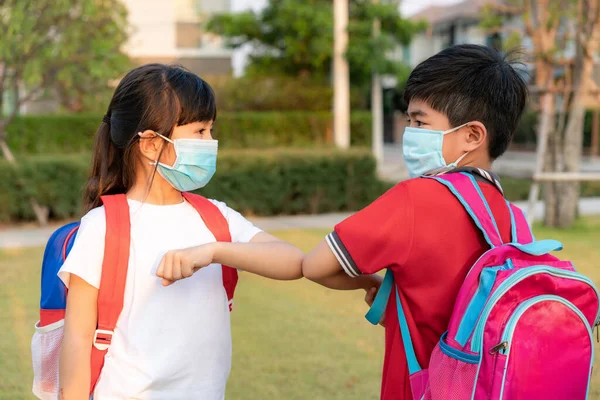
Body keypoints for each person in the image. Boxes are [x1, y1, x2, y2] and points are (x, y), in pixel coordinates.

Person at [58, 64, 304, 399]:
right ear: (150, 145)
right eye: (200, 132)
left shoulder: (216, 218)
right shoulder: (102, 227)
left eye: (211, 131)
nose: (211, 142)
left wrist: (214, 251)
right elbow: (76, 340)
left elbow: (293, 262)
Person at [302, 44, 528, 399]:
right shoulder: (513, 218)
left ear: (472, 135)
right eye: (409, 120)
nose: (410, 131)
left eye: (420, 122)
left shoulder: (416, 199)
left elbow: (315, 266)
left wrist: (369, 284)